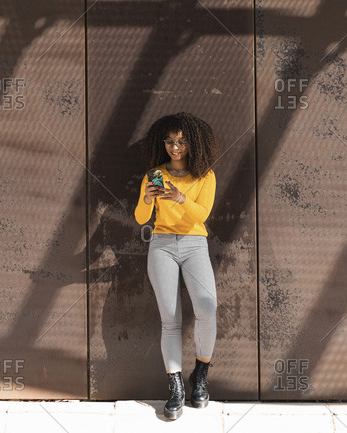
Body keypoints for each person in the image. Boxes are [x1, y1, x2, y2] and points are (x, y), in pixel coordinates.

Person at [134, 112, 220, 420]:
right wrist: (147, 197)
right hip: (162, 246)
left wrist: (180, 197)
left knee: (207, 309)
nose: (175, 147)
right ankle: (175, 387)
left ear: (193, 143)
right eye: (170, 141)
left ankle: (199, 376)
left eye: (182, 141)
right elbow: (142, 218)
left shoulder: (204, 176)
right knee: (170, 318)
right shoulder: (154, 175)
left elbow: (202, 214)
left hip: (195, 244)